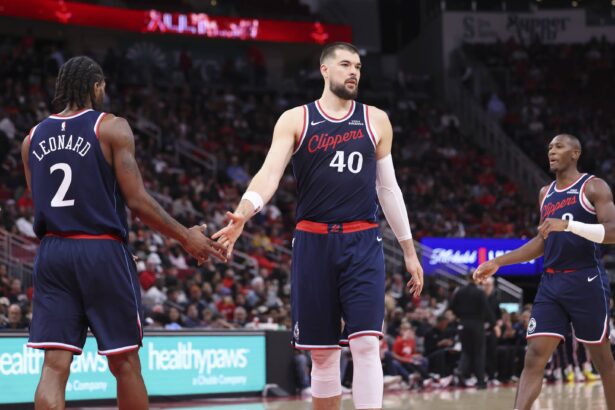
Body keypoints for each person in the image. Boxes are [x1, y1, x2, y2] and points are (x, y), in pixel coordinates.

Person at [213, 42, 423, 410]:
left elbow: (388, 189)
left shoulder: (376, 120)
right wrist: (244, 213)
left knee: (366, 343)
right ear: (324, 70)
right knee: (323, 355)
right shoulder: (296, 119)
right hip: (313, 242)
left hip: (362, 240)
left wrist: (409, 250)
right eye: (345, 64)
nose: (354, 71)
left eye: (358, 66)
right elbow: (269, 174)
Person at [21, 56, 226, 410]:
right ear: (97, 86)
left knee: (54, 367)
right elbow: (138, 201)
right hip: (101, 251)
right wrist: (185, 236)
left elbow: (39, 202)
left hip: (53, 253)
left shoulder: (32, 138)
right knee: (125, 363)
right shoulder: (111, 127)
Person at [474, 134, 615, 410]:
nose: (552, 151)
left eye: (559, 146)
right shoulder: (545, 193)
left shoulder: (593, 187)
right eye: (550, 147)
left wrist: (569, 225)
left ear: (575, 153)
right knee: (534, 356)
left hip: (585, 279)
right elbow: (542, 241)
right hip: (551, 281)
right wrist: (499, 262)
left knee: (602, 360)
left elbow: (612, 232)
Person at [450, 273, 494, 389]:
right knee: (479, 353)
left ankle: (460, 371)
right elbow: (486, 309)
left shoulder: (459, 291)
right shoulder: (479, 292)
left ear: (467, 278)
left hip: (463, 323)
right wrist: (493, 323)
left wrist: (461, 316)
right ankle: (480, 381)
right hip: (477, 324)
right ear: (478, 279)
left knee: (466, 351)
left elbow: (452, 306)